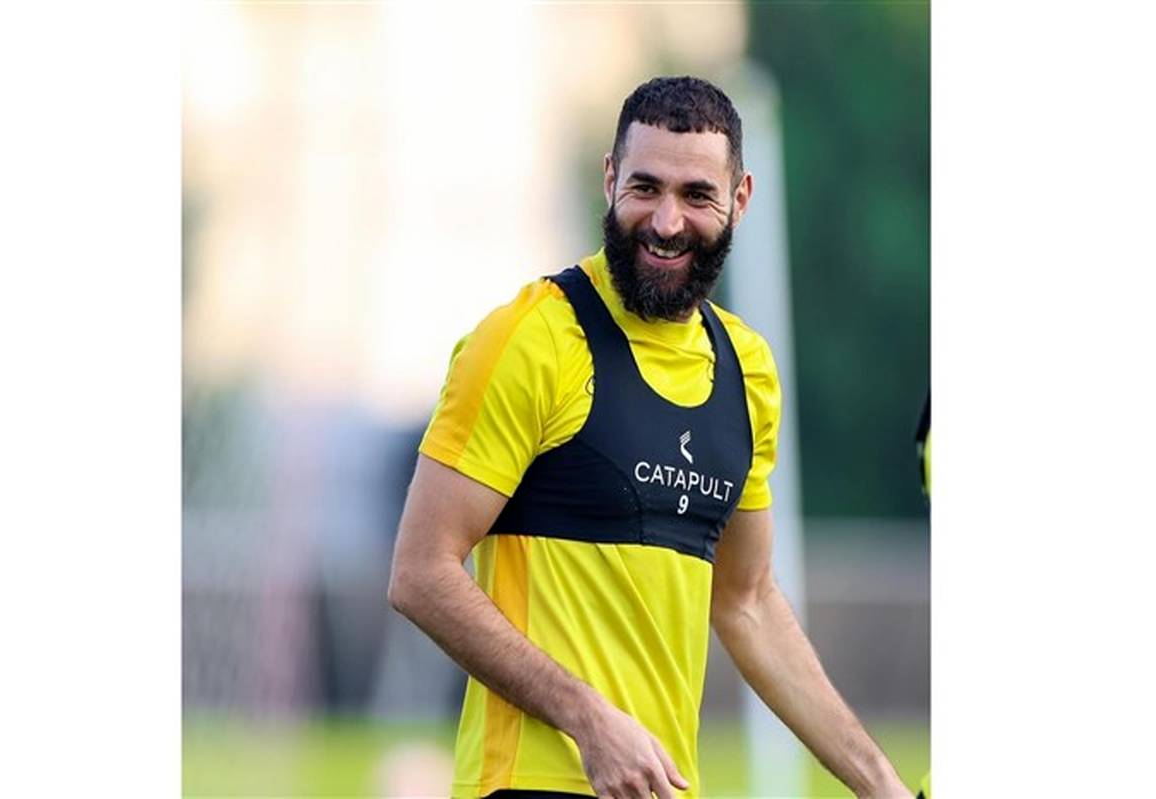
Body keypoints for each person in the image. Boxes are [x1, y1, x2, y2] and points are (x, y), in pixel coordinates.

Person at [388, 76, 911, 799]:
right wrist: (587, 719)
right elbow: (421, 572)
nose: (666, 221)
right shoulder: (530, 339)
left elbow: (747, 600)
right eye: (645, 188)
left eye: (696, 195)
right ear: (610, 179)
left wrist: (880, 782)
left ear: (741, 199)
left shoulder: (748, 370)